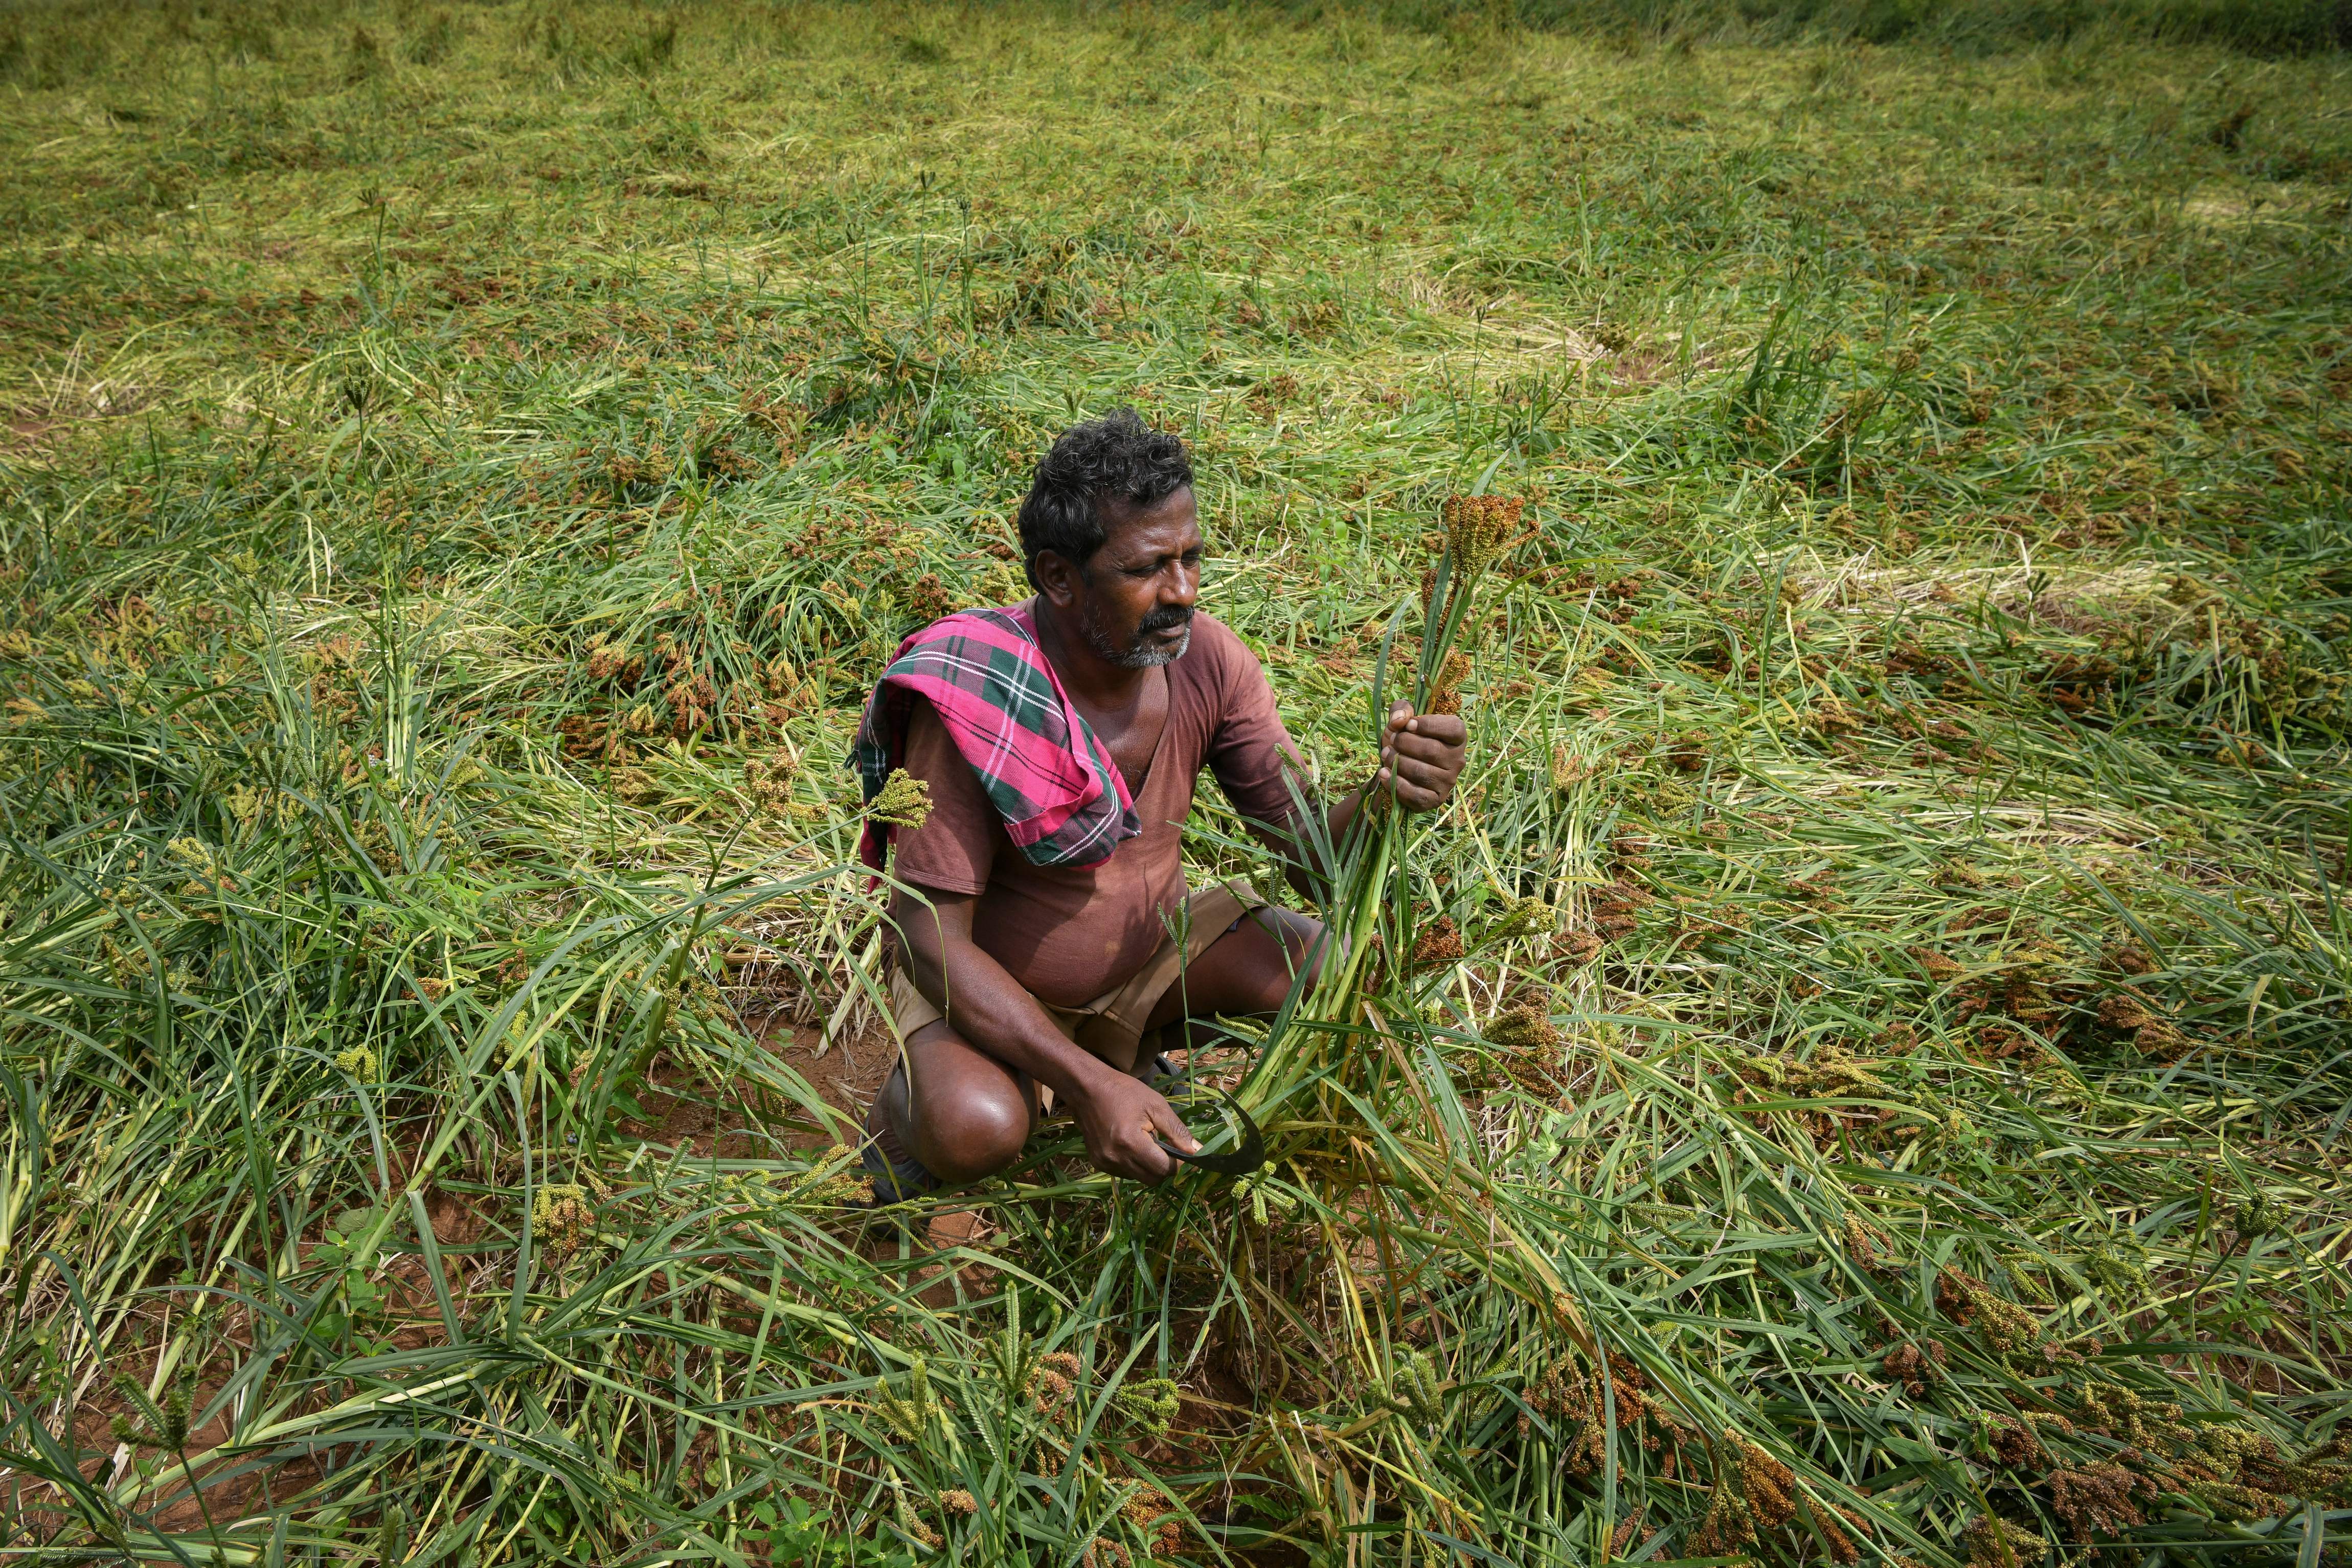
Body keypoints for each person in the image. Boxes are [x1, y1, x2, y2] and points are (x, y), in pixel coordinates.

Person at [850, 408, 1468, 1195]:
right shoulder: (980, 697)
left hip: (1149, 961)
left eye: (1191, 559)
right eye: (1146, 569)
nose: (1181, 592)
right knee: (978, 1129)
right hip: (988, 994)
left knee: (1337, 973)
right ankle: (912, 1124)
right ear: (1059, 579)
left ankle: (1132, 1053)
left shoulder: (1207, 661)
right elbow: (932, 941)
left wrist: (1389, 794)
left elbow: (1312, 857)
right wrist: (1083, 1082)